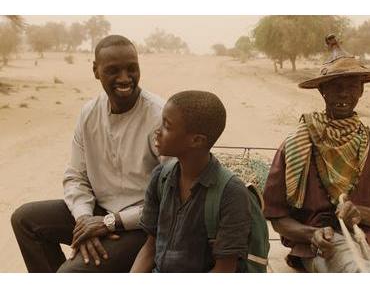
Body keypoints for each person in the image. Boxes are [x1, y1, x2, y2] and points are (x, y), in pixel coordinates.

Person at [11, 35, 164, 272]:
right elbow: (75, 176)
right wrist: (84, 219)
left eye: (132, 69)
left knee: (70, 273)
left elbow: (172, 197)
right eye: (113, 70)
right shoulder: (89, 113)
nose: (125, 78)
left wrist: (109, 223)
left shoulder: (159, 117)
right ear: (95, 70)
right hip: (97, 212)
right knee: (25, 219)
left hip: (140, 225)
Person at [263, 34, 370, 273]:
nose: (344, 94)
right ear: (322, 91)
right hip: (323, 247)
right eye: (335, 87)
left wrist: (360, 213)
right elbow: (278, 218)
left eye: (352, 86)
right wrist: (313, 234)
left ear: (361, 91)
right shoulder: (297, 144)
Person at [130, 90, 260, 273]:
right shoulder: (161, 176)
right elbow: (150, 248)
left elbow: (224, 270)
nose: (158, 132)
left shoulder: (231, 193)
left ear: (197, 140)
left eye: (167, 126)